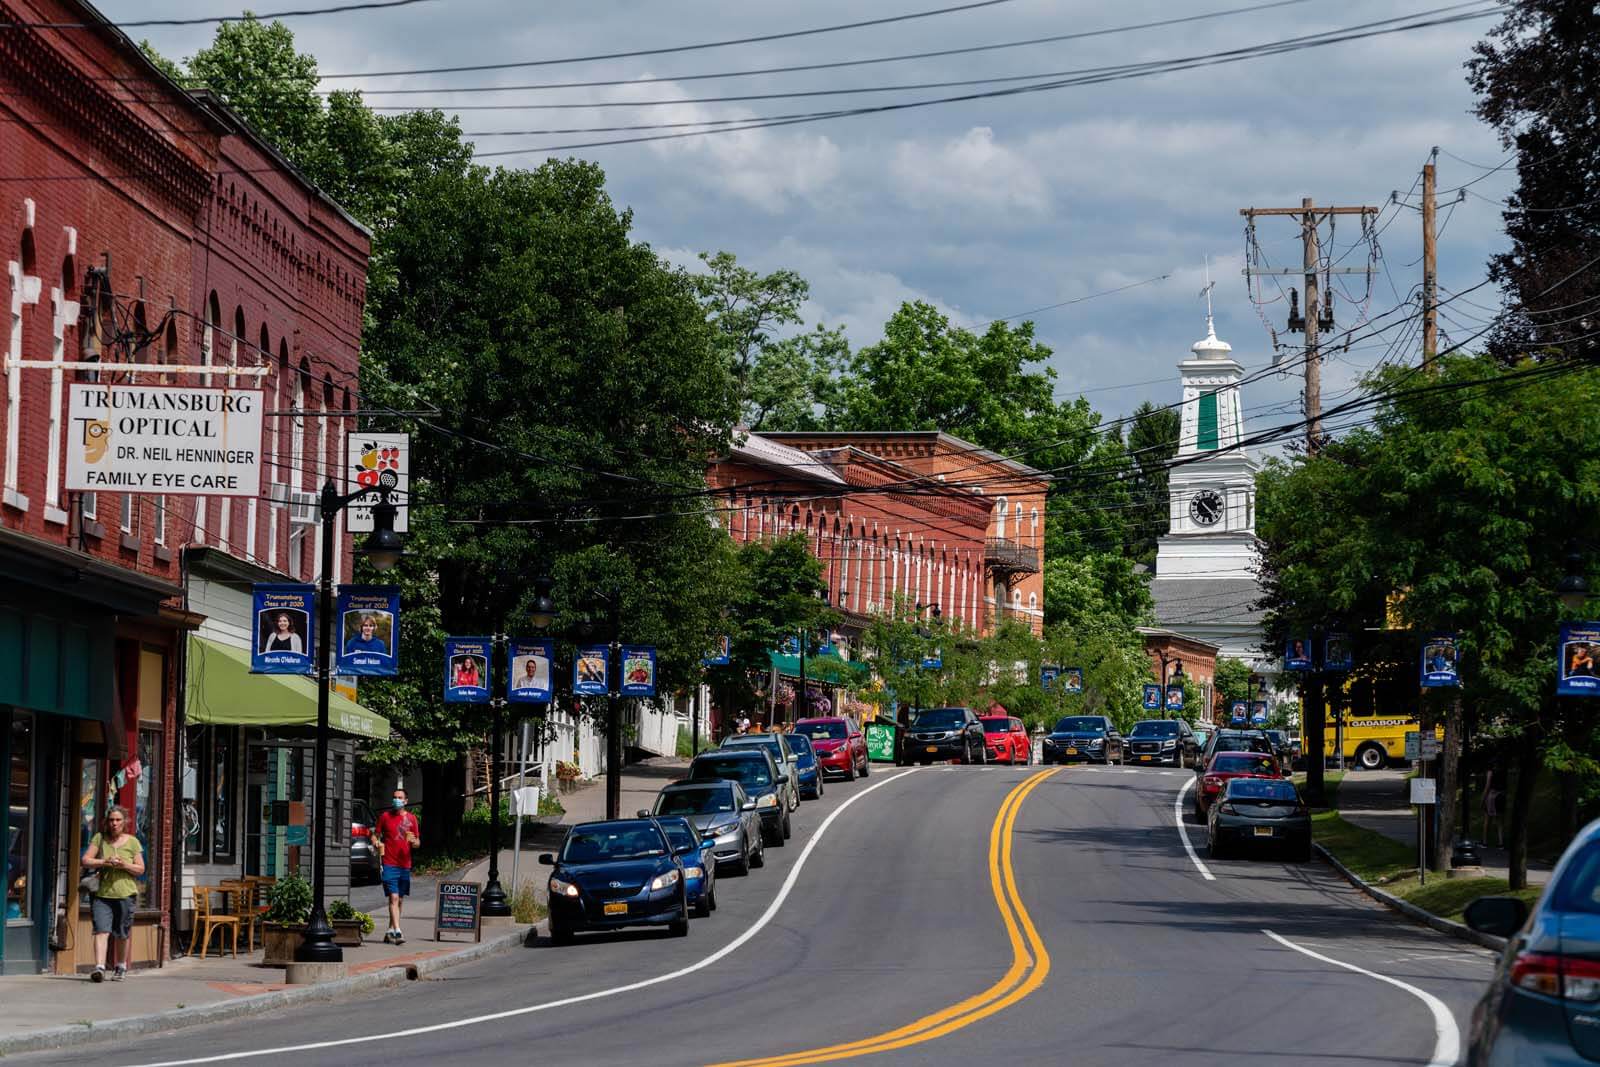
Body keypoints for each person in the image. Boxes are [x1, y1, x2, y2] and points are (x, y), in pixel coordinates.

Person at [81, 806, 144, 982]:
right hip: (102, 894)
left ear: (124, 822)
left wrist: (124, 865)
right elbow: (85, 860)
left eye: (118, 820)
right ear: (107, 822)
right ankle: (99, 968)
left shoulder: (132, 842)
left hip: (125, 894)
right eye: (111, 820)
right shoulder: (100, 838)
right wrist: (104, 862)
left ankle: (121, 966)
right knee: (101, 930)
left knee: (122, 933)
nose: (114, 823)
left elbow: (140, 869)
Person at [373, 786, 420, 945]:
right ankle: (398, 931)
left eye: (400, 798)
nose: (396, 800)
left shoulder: (412, 819)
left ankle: (389, 931)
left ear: (406, 801)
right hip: (389, 863)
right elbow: (375, 835)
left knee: (399, 899)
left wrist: (414, 842)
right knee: (393, 897)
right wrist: (376, 843)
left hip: (405, 864)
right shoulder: (385, 817)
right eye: (395, 797)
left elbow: (417, 842)